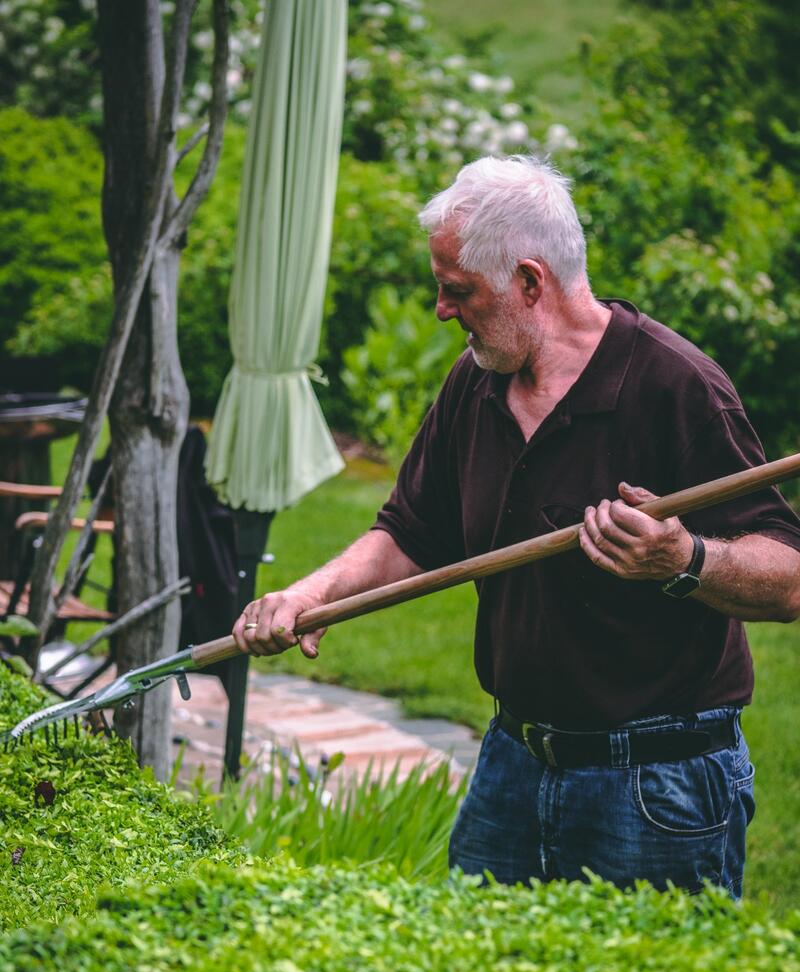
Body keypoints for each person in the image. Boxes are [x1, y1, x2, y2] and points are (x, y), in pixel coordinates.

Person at [233, 155, 800, 898]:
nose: (441, 309)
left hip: (654, 784)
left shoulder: (675, 385)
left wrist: (683, 559)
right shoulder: (476, 384)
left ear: (531, 282)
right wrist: (311, 595)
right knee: (474, 968)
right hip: (514, 764)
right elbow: (410, 531)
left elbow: (787, 577)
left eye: (458, 289)